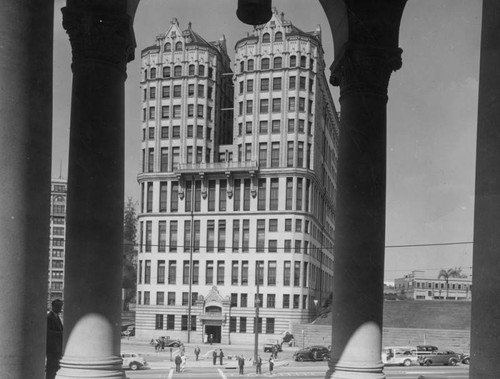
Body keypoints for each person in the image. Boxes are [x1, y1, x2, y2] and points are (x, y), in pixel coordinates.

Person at [46, 299, 64, 379]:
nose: (59, 308)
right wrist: (62, 333)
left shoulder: (56, 317)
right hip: (52, 348)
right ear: (52, 306)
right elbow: (48, 332)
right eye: (57, 306)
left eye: (60, 306)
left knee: (55, 368)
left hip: (56, 348)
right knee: (51, 369)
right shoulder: (49, 317)